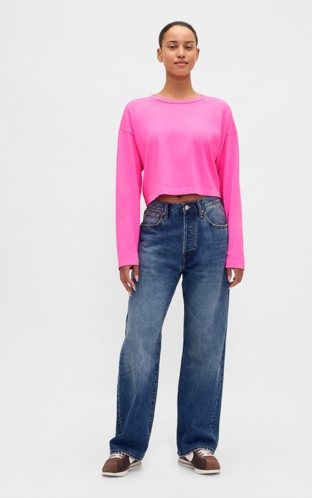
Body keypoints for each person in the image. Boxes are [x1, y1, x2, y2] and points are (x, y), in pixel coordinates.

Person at [102, 21, 245, 478]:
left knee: (206, 342)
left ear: (198, 54)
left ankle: (197, 442)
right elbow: (127, 184)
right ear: (159, 53)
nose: (180, 52)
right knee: (139, 339)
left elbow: (230, 182)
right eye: (172, 45)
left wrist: (236, 251)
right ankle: (127, 446)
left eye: (188, 46)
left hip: (211, 224)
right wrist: (126, 251)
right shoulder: (137, 112)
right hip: (158, 228)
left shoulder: (218, 111)